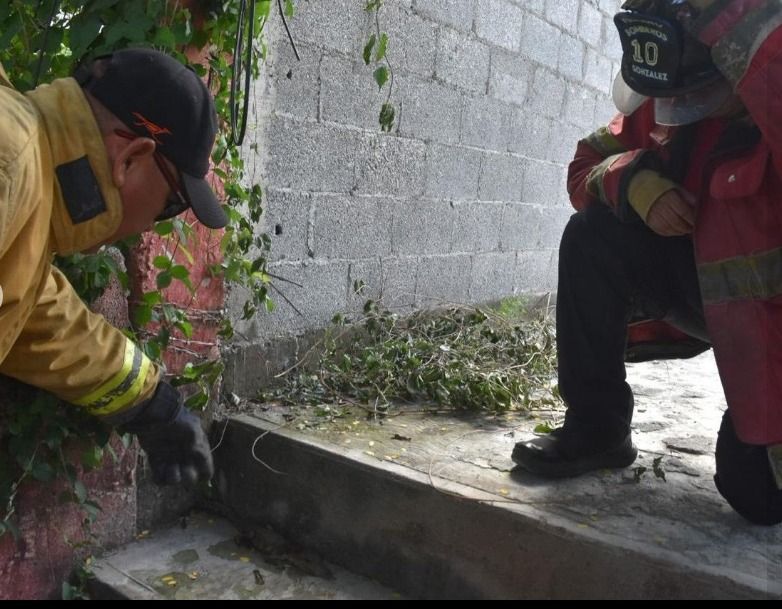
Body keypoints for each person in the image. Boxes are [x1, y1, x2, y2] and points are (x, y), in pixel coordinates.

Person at [512, 0, 782, 525]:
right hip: (709, 298)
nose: (681, 106)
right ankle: (598, 428)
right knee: (592, 234)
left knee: (756, 492)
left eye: (698, 95)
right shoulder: (664, 94)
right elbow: (584, 164)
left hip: (770, 330)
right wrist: (633, 181)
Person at [0, 48, 227, 486]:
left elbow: (40, 316)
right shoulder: (9, 167)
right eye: (170, 205)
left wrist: (154, 406)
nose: (149, 224)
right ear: (130, 159)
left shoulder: (28, 189)